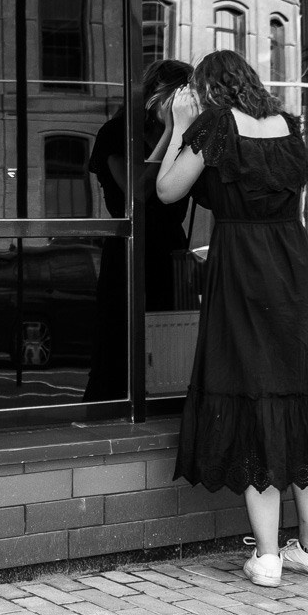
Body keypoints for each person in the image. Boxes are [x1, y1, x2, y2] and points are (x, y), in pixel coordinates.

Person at [156, 50, 308, 588]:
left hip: (241, 270)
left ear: (209, 89)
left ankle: (268, 557)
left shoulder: (216, 126)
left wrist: (180, 126)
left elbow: (168, 189)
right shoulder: (289, 126)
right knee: (299, 390)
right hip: (291, 266)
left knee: (251, 391)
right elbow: (298, 201)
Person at [84, 60, 195, 402]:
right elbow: (138, 193)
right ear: (156, 96)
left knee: (170, 347)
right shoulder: (116, 133)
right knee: (120, 343)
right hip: (130, 251)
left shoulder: (185, 136)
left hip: (170, 252)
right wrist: (170, 134)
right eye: (179, 97)